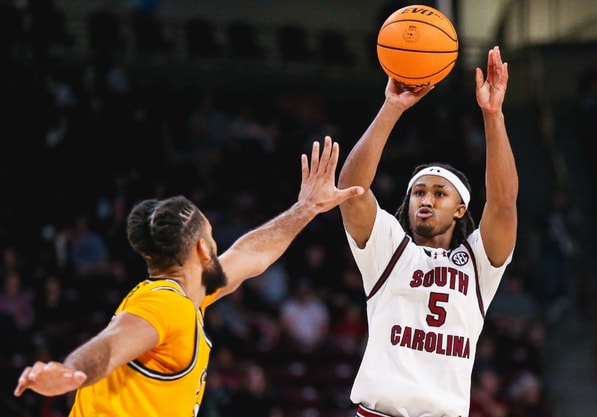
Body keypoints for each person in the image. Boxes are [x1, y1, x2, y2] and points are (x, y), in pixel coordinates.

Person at [12, 136, 363, 417]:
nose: (218, 245)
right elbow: (109, 345)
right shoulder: (168, 305)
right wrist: (71, 371)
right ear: (201, 249)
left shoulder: (189, 292)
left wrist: (307, 208)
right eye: (212, 237)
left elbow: (251, 254)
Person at [337, 46, 518, 417]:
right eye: (419, 192)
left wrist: (493, 115)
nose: (426, 200)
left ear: (461, 209)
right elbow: (352, 191)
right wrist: (392, 107)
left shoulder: (478, 266)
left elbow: (502, 202)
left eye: (439, 193)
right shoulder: (389, 249)